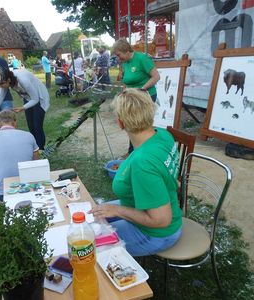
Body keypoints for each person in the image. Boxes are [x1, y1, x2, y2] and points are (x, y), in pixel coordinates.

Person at [90, 89, 182, 257]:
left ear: (120, 123)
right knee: (95, 215)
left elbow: (161, 220)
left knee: (88, 245)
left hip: (157, 234)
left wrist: (118, 211)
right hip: (161, 215)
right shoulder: (163, 135)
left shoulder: (143, 163)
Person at [0, 110, 39, 201]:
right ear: (15, 122)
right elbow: (36, 162)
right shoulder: (28, 135)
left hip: (3, 193)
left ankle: (1, 202)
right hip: (29, 187)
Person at [112, 38, 160, 154]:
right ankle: (132, 151)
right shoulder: (125, 63)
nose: (118, 59)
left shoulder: (142, 59)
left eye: (119, 55)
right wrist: (123, 93)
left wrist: (141, 89)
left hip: (145, 97)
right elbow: (126, 81)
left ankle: (144, 151)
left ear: (126, 50)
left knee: (141, 125)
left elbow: (156, 77)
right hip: (132, 98)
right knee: (131, 124)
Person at [2, 69, 50, 150]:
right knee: (31, 126)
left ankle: (41, 149)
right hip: (28, 99)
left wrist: (23, 107)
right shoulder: (5, 81)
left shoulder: (23, 80)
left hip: (39, 97)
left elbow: (35, 99)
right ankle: (35, 148)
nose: (1, 87)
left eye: (2, 84)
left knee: (37, 126)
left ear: (8, 80)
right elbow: (0, 97)